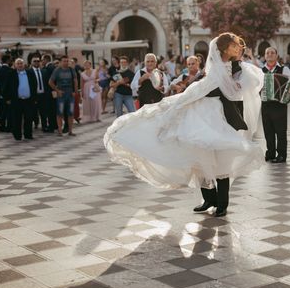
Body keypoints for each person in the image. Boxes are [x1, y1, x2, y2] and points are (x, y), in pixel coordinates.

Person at [105, 33, 264, 218]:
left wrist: (237, 84)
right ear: (224, 48)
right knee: (200, 156)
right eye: (234, 45)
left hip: (223, 116)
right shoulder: (213, 67)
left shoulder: (239, 67)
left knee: (222, 158)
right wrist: (179, 103)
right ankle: (208, 199)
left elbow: (247, 85)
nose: (238, 48)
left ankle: (222, 203)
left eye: (238, 45)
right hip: (204, 114)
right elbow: (207, 86)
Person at [260, 47, 290, 164]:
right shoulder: (261, 70)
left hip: (279, 105)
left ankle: (281, 155)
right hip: (265, 104)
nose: (269, 54)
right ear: (265, 56)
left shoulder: (283, 69)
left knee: (280, 131)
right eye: (267, 53)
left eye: (272, 53)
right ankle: (270, 153)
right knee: (268, 131)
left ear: (276, 56)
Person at [5, 58, 38, 141]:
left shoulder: (30, 73)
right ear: (15, 65)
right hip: (16, 100)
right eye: (18, 63)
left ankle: (28, 134)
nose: (20, 65)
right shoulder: (11, 74)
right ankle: (17, 135)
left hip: (28, 100)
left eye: (21, 63)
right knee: (16, 118)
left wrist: (34, 98)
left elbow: (34, 85)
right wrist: (7, 98)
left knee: (29, 118)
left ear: (24, 64)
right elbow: (6, 86)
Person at [49, 55, 78, 137]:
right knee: (59, 113)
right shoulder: (57, 70)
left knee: (71, 113)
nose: (66, 62)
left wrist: (75, 91)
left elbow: (75, 80)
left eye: (67, 61)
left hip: (70, 94)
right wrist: (57, 90)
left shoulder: (72, 70)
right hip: (61, 94)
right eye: (64, 61)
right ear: (61, 62)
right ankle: (60, 131)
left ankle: (70, 131)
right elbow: (50, 82)